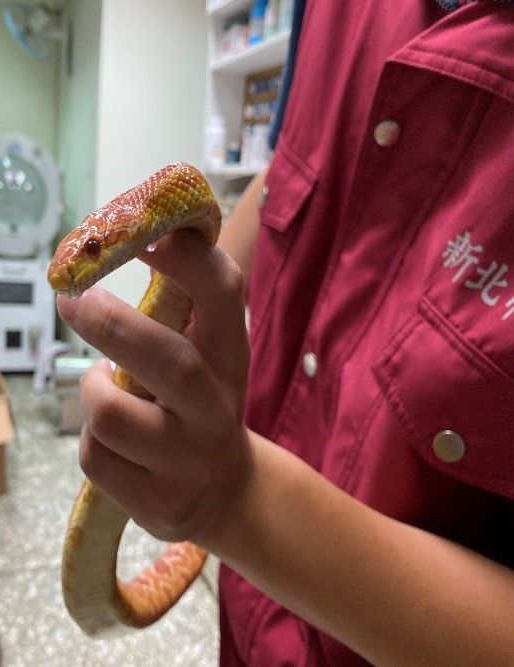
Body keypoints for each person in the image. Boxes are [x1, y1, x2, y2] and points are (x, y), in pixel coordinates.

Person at [56, 1, 514, 664]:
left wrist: (236, 500)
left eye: (97, 251)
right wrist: (188, 318)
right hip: (250, 624)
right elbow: (287, 174)